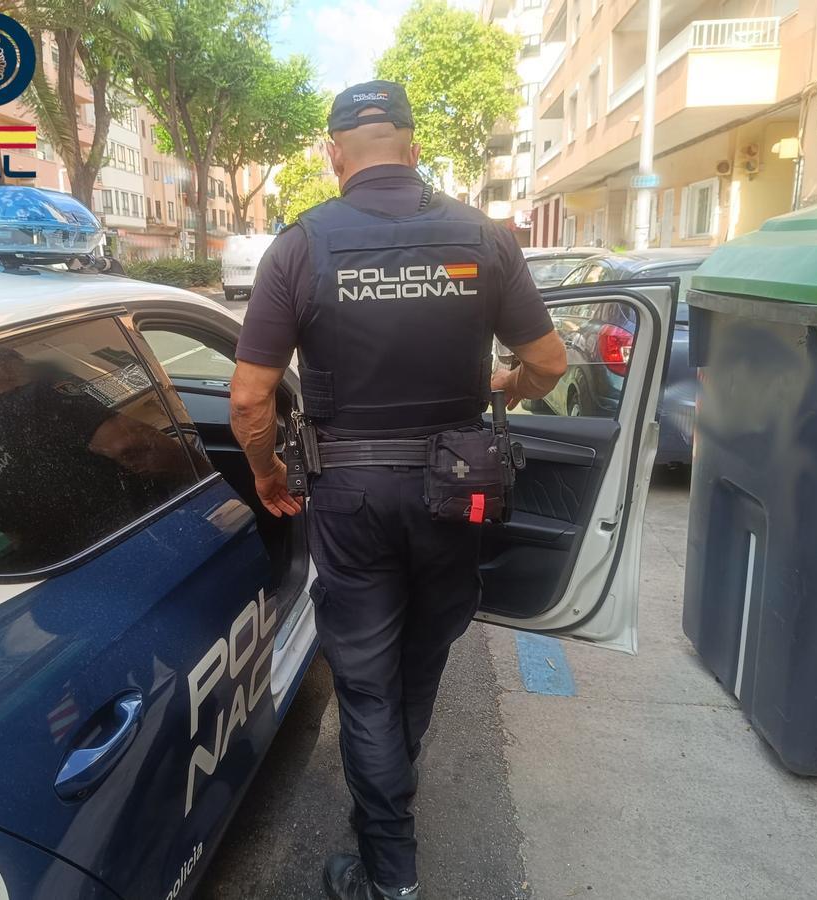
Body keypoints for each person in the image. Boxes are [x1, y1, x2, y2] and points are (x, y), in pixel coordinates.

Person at [229, 80, 568, 900]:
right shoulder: (483, 237)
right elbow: (553, 362)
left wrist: (269, 474)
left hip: (349, 499)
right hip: (459, 493)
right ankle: (388, 813)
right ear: (413, 149)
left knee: (368, 685)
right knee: (418, 666)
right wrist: (509, 387)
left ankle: (389, 871)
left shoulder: (301, 246)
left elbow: (247, 397)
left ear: (335, 155)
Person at [0, 347, 188, 569]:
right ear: (3, 367)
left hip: (68, 571)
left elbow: (16, 537)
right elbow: (130, 444)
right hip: (139, 539)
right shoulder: (39, 397)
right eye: (22, 363)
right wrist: (202, 471)